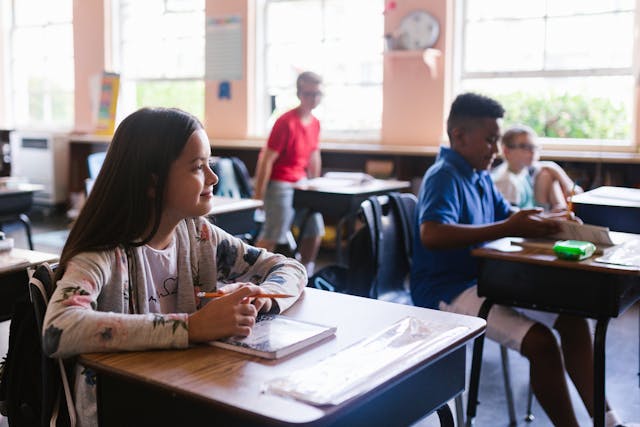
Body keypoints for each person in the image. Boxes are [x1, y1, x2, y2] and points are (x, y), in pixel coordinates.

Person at [42, 107, 306, 427]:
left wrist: (264, 297)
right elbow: (58, 329)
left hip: (182, 390)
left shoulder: (198, 234)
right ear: (152, 181)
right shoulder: (103, 255)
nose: (213, 177)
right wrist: (192, 328)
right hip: (122, 409)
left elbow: (288, 266)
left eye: (210, 164)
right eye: (198, 167)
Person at [410, 93, 630, 427]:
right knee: (541, 344)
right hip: (448, 289)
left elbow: (507, 215)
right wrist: (510, 225)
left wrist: (546, 220)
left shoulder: (479, 173)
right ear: (459, 136)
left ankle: (608, 420)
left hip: (487, 280)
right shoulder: (444, 175)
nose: (495, 150)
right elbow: (432, 233)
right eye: (489, 140)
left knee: (573, 320)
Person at [253, 71, 325, 276]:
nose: (314, 99)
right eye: (309, 94)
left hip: (302, 182)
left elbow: (314, 155)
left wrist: (316, 183)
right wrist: (259, 196)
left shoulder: (315, 123)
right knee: (274, 232)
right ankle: (253, 275)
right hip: (280, 182)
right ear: (300, 94)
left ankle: (304, 273)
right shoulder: (285, 122)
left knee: (315, 229)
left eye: (318, 94)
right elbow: (267, 159)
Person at [492, 124, 582, 211]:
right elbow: (512, 221)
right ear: (506, 151)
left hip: (533, 215)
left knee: (546, 174)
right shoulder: (506, 182)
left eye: (534, 147)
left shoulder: (521, 169)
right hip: (524, 223)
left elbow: (548, 166)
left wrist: (567, 185)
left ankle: (562, 211)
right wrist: (548, 217)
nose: (532, 151)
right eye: (525, 147)